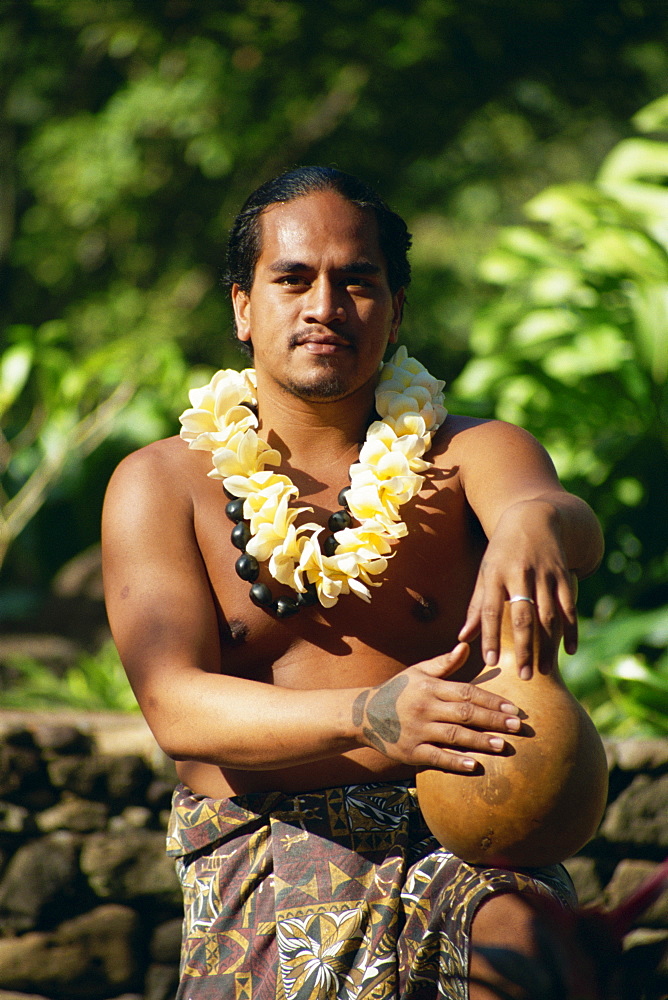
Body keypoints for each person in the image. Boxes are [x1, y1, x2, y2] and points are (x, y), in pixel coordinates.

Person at [102, 166, 604, 1000]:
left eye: (357, 281)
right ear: (241, 306)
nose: (325, 306)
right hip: (263, 845)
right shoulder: (161, 484)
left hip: (465, 844)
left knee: (531, 953)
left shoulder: (469, 453)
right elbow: (175, 705)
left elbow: (553, 509)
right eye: (293, 279)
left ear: (395, 308)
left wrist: (533, 525)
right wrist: (369, 716)